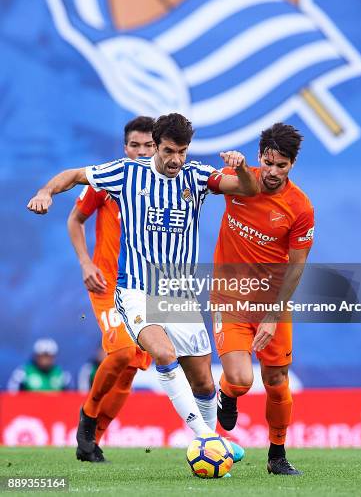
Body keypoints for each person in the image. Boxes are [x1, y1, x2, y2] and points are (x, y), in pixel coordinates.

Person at [27, 112, 258, 467]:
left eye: (182, 151)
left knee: (204, 384)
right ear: (156, 146)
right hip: (135, 289)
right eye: (168, 151)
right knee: (159, 356)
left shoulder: (195, 176)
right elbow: (74, 176)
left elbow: (247, 188)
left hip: (178, 292)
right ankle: (207, 440)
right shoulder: (125, 173)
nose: (175, 160)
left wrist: (241, 167)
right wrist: (45, 191)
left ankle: (215, 444)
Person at [213, 123, 314, 475]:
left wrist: (273, 315)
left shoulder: (300, 208)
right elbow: (192, 182)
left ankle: (277, 456)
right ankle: (226, 392)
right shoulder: (238, 181)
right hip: (229, 297)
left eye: (281, 165)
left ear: (292, 165)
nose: (273, 172)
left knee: (275, 381)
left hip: (271, 305)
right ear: (259, 157)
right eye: (268, 163)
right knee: (241, 380)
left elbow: (297, 267)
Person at [67, 116, 155, 462]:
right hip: (109, 284)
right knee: (119, 352)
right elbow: (75, 220)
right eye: (135, 145)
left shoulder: (172, 184)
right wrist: (85, 263)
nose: (142, 151)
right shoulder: (109, 180)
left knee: (131, 367)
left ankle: (92, 443)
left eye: (149, 145)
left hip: (150, 288)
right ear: (125, 148)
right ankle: (88, 417)